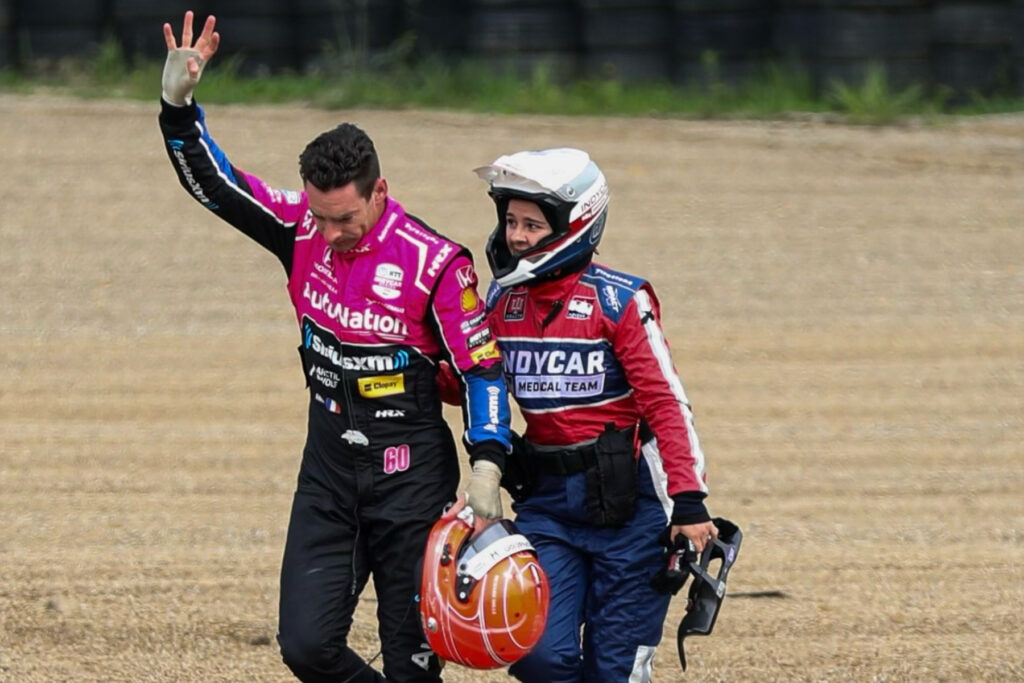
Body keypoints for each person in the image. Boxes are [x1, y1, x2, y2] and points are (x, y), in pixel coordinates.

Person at [157, 11, 512, 682]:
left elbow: (482, 370)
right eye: (319, 216)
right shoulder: (301, 229)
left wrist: (488, 464)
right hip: (327, 473)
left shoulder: (436, 263)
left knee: (413, 667)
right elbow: (218, 187)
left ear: (380, 190)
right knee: (306, 646)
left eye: (343, 218)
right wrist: (178, 109)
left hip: (411, 481)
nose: (329, 232)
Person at [470, 148, 719, 681]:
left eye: (532, 225)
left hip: (632, 510)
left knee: (614, 671)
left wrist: (690, 500)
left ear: (575, 224)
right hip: (546, 507)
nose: (515, 236)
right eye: (510, 220)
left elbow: (665, 401)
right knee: (537, 654)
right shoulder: (501, 300)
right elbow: (471, 376)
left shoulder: (623, 301)